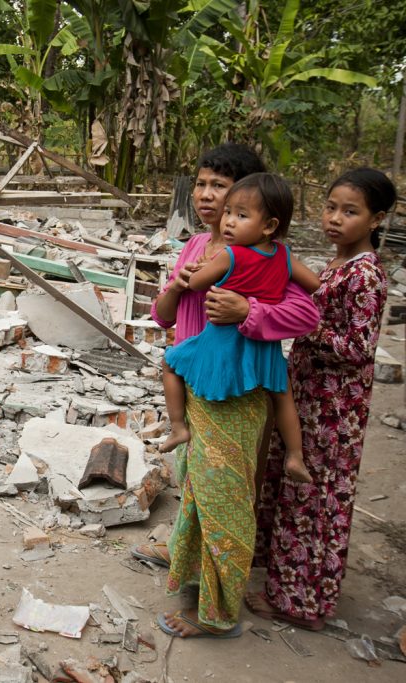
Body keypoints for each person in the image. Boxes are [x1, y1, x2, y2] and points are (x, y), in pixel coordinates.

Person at [129, 144, 320, 639]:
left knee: (227, 496)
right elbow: (164, 316)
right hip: (197, 382)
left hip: (236, 389)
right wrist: (174, 287)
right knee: (194, 487)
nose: (207, 196)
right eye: (201, 183)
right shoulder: (196, 247)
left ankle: (219, 609)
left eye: (222, 188)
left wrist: (248, 313)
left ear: (255, 205)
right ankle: (195, 577)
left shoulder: (268, 258)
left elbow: (305, 313)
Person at [250, 167, 395, 631]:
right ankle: (285, 585)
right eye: (331, 207)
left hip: (335, 409)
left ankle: (301, 604)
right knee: (294, 491)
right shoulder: (336, 266)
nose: (335, 218)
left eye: (350, 211)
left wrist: (301, 323)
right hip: (309, 398)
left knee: (315, 499)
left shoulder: (366, 275)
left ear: (376, 219)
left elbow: (357, 348)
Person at [161, 173, 320, 485]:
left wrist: (196, 272)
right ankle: (295, 455)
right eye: (229, 213)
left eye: (241, 215)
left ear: (269, 225)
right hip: (265, 349)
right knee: (283, 396)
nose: (228, 222)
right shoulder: (284, 255)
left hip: (224, 345)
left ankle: (178, 425)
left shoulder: (230, 255)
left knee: (170, 363)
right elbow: (314, 283)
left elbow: (195, 284)